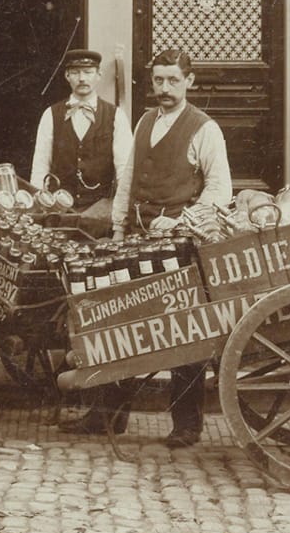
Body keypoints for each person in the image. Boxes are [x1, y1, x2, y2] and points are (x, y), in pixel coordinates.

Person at [65, 48, 232, 445]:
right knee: (121, 322)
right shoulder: (143, 122)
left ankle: (187, 425)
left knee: (184, 333)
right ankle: (109, 415)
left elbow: (220, 190)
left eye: (174, 80)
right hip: (138, 242)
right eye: (159, 80)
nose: (165, 89)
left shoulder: (204, 129)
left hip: (181, 247)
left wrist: (180, 222)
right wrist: (119, 230)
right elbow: (126, 183)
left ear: (189, 81)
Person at [30, 48, 132, 238]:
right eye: (76, 72)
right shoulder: (51, 115)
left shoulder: (115, 116)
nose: (82, 78)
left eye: (88, 72)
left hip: (99, 216)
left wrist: (120, 223)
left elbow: (124, 171)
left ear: (99, 75)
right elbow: (40, 167)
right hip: (59, 214)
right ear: (67, 76)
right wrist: (39, 212)